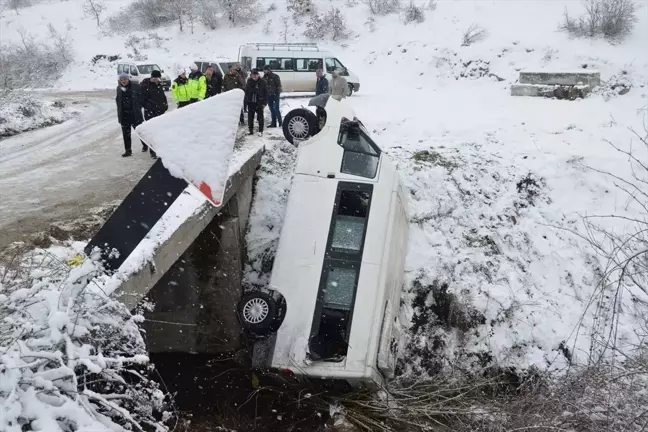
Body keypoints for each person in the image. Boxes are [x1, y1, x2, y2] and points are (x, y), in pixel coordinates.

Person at [139, 70, 168, 159]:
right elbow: (141, 100)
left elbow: (163, 96)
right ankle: (153, 151)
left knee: (159, 133)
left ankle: (159, 150)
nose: (157, 80)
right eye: (155, 78)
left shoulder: (159, 85)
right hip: (150, 113)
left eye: (158, 78)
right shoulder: (145, 86)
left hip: (160, 112)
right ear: (152, 77)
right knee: (152, 133)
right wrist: (151, 107)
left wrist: (165, 105)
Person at [116, 73, 144, 157]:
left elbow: (141, 98)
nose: (123, 81)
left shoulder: (136, 87)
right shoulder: (118, 88)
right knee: (126, 134)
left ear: (128, 79)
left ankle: (145, 145)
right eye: (121, 80)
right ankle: (128, 150)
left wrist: (138, 106)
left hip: (134, 114)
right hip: (124, 115)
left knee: (140, 132)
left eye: (125, 79)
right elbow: (118, 101)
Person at [244, 69, 267, 136]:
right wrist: (246, 102)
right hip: (251, 102)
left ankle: (260, 131)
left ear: (258, 75)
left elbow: (266, 93)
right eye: (253, 75)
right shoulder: (249, 81)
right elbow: (247, 91)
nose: (254, 76)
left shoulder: (262, 82)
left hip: (259, 102)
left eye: (256, 75)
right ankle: (250, 130)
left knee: (260, 117)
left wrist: (265, 103)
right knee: (250, 117)